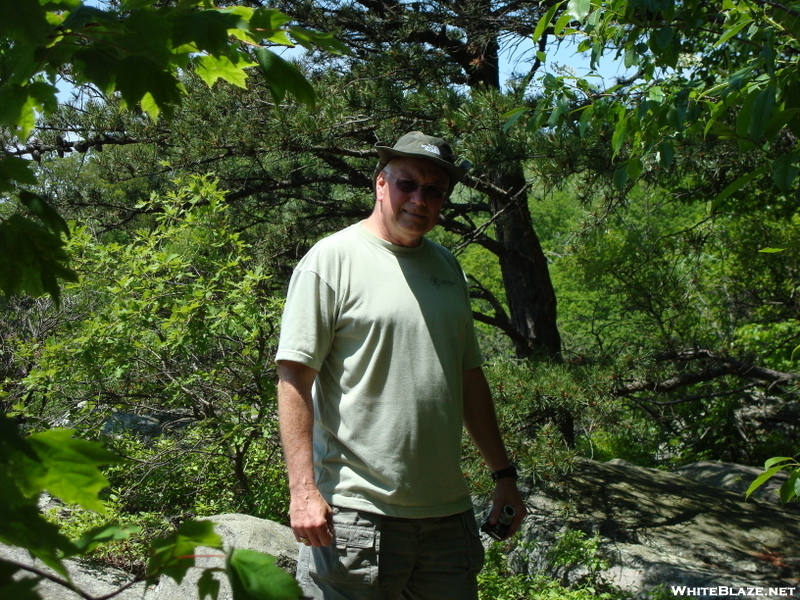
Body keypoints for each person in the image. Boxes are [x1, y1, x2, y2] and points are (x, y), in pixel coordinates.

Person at [276, 131, 527, 600]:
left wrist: (503, 476)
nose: (419, 198)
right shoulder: (331, 260)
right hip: (355, 517)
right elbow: (294, 378)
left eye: (434, 191)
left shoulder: (448, 268)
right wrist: (303, 490)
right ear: (379, 183)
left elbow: (469, 377)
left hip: (447, 518)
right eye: (407, 183)